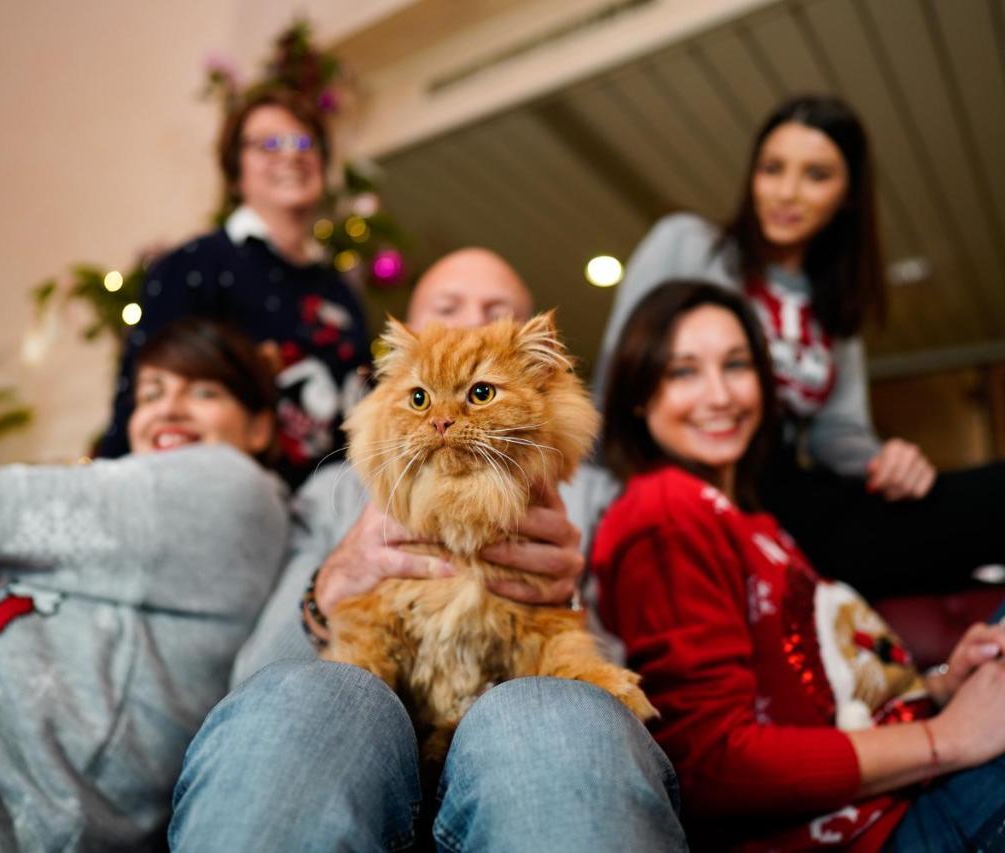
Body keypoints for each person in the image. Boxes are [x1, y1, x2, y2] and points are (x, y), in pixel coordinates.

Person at [169, 248, 686, 853]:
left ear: (540, 366)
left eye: (493, 312)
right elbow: (255, 682)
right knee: (310, 698)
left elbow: (622, 699)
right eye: (446, 309)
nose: (442, 415)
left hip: (525, 766)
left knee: (556, 713)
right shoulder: (333, 488)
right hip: (354, 765)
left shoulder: (592, 494)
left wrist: (564, 599)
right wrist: (330, 584)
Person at [592, 280, 1005, 850]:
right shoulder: (664, 510)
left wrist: (943, 686)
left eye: (737, 365)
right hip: (884, 832)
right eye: (683, 372)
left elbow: (828, 695)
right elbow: (714, 765)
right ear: (640, 397)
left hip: (911, 788)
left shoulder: (754, 522)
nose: (719, 395)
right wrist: (947, 735)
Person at [595, 94, 1005, 598]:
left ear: (848, 196)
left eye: (816, 174)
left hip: (798, 493)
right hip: (704, 486)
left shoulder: (836, 306)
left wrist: (887, 458)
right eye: (772, 168)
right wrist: (595, 507)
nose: (786, 192)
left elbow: (838, 434)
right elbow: (621, 380)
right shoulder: (688, 242)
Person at [0, 318, 289, 851]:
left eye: (205, 391)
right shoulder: (168, 518)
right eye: (151, 392)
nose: (168, 408)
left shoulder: (229, 486)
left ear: (260, 428)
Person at [98, 90, 372, 491]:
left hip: (328, 508)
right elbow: (141, 396)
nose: (290, 155)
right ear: (235, 171)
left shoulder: (340, 293)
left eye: (304, 143)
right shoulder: (192, 266)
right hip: (222, 500)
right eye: (268, 144)